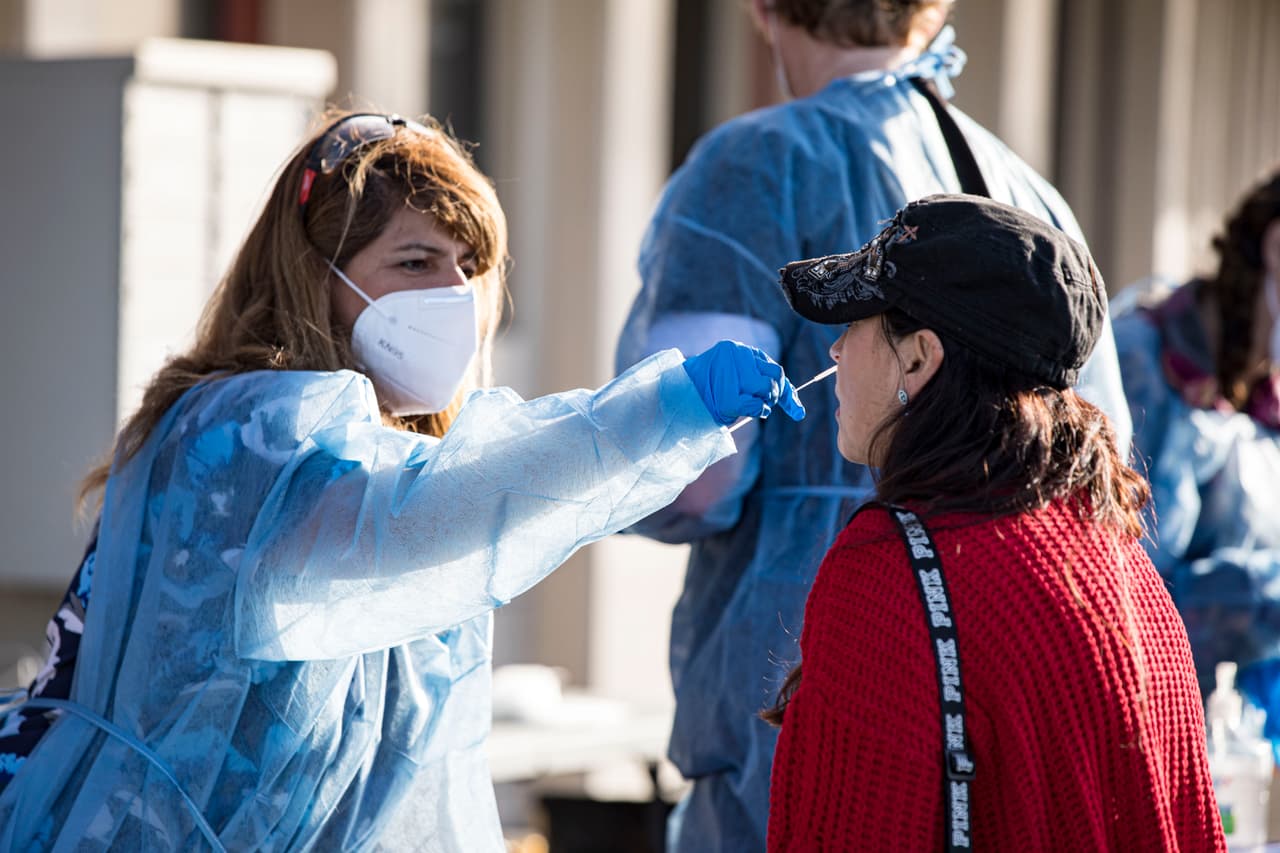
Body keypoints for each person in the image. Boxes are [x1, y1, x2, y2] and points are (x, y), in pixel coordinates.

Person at [0, 110, 805, 851]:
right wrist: (659, 412)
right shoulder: (245, 433)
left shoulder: (373, 442)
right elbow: (420, 514)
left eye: (468, 265)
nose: (453, 293)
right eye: (416, 261)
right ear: (314, 275)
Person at [613, 1, 1133, 847]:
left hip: (795, 729)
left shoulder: (753, 164)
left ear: (766, 9)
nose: (838, 348)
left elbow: (692, 480)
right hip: (1008, 732)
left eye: (856, 325)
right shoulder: (1032, 196)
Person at [765, 193, 1223, 850]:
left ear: (919, 357)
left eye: (857, 321)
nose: (835, 349)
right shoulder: (1123, 561)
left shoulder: (891, 571)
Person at [1112, 168, 1280, 729]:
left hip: (1223, 734)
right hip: (1136, 717)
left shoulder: (1261, 397)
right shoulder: (1140, 362)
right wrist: (1253, 599)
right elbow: (1120, 588)